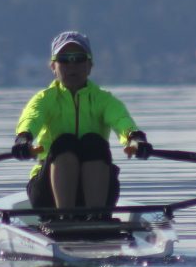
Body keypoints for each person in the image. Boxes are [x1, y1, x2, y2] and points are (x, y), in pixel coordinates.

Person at [11, 31, 152, 217]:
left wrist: (135, 139)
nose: (72, 65)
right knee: (65, 143)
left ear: (89, 65)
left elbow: (121, 121)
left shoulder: (104, 100)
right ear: (53, 66)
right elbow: (31, 119)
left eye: (78, 58)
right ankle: (65, 216)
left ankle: (96, 217)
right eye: (64, 59)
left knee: (94, 143)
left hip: (98, 193)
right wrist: (23, 139)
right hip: (48, 195)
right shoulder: (44, 99)